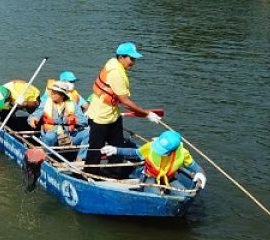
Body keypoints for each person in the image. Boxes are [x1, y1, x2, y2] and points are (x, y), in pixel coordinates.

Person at [84, 42, 162, 178]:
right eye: (131, 59)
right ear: (121, 57)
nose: (133, 63)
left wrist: (143, 113)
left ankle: (114, 172)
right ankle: (90, 174)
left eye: (134, 59)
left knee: (118, 144)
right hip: (101, 116)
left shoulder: (113, 63)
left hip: (113, 114)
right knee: (96, 147)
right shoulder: (116, 74)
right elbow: (125, 102)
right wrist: (147, 114)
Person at [100, 130, 206, 189]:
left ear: (173, 151)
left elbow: (196, 167)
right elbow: (134, 153)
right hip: (149, 177)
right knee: (157, 196)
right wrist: (116, 150)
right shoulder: (151, 146)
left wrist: (201, 174)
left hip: (169, 179)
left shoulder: (183, 153)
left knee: (184, 196)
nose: (157, 151)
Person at [28, 81, 88, 159]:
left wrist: (74, 120)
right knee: (50, 136)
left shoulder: (73, 104)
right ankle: (47, 158)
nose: (52, 94)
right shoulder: (46, 103)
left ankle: (80, 159)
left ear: (63, 95)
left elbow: (84, 121)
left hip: (69, 135)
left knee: (87, 133)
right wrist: (33, 120)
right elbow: (35, 115)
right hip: (52, 134)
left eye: (56, 92)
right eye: (52, 91)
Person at [0, 79, 41, 146]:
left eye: (3, 102)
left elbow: (37, 104)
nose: (1, 104)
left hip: (29, 99)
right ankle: (13, 130)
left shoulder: (21, 93)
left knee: (33, 113)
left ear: (8, 97)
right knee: (3, 113)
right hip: (13, 101)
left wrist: (24, 103)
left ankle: (36, 134)